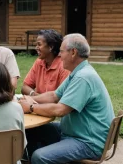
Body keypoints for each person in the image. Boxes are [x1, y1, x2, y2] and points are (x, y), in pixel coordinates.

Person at [19, 33, 115, 163]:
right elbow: (54, 95)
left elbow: (60, 110)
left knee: (40, 156)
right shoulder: (78, 72)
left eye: (62, 52)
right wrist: (30, 99)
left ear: (73, 52)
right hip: (77, 132)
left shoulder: (83, 77)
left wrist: (31, 107)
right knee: (32, 131)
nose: (59, 55)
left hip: (88, 141)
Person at [21, 29, 69, 96]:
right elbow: (24, 87)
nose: (36, 48)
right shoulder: (39, 62)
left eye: (39, 44)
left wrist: (39, 99)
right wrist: (34, 95)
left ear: (50, 47)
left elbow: (62, 97)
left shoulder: (63, 66)